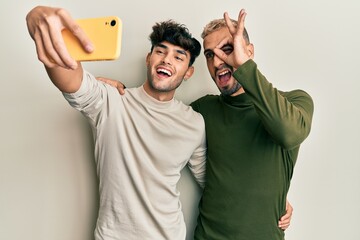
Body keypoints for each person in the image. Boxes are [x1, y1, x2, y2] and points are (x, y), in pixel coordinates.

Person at [100, 9, 313, 240]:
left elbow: (289, 133)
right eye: (210, 55)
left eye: (228, 49)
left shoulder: (294, 101)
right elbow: (157, 115)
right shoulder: (203, 111)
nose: (218, 61)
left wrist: (244, 67)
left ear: (248, 52)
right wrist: (120, 95)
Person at [26, 6, 206, 240]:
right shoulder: (111, 100)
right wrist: (38, 20)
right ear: (149, 58)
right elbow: (72, 81)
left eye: (178, 57)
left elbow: (212, 182)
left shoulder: (194, 123)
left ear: (188, 72)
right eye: (160, 52)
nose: (167, 60)